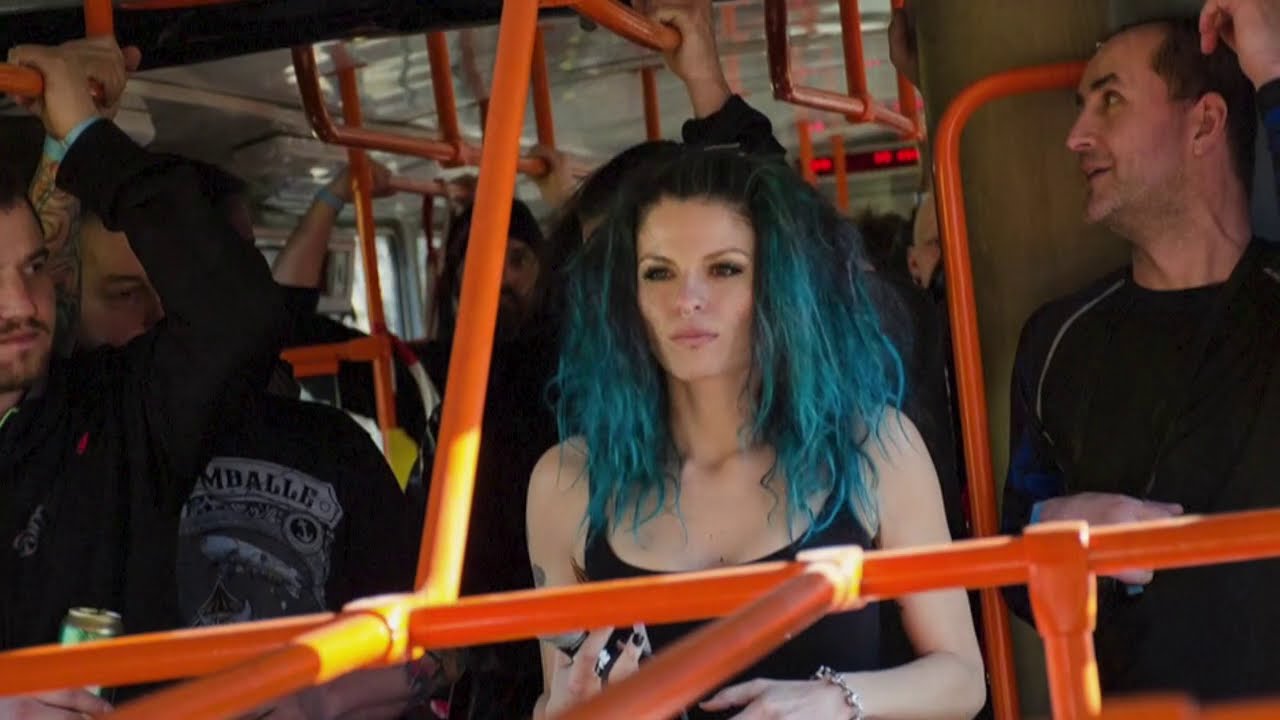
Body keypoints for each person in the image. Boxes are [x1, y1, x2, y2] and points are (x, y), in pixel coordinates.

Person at [529, 148, 986, 720]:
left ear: (780, 286)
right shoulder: (566, 483)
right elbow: (554, 698)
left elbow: (963, 678)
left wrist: (835, 701)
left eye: (724, 268)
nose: (686, 300)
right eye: (658, 272)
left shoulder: (874, 448)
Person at [1002, 0, 1280, 699]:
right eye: (1081, 107)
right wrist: (1048, 526)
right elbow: (1013, 558)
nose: (1075, 137)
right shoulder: (1056, 340)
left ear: (1205, 124)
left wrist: (1270, 67)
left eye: (1111, 101)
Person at [0, 36, 285, 716]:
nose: (19, 305)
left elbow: (238, 315)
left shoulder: (112, 414)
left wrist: (90, 144)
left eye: (32, 269)